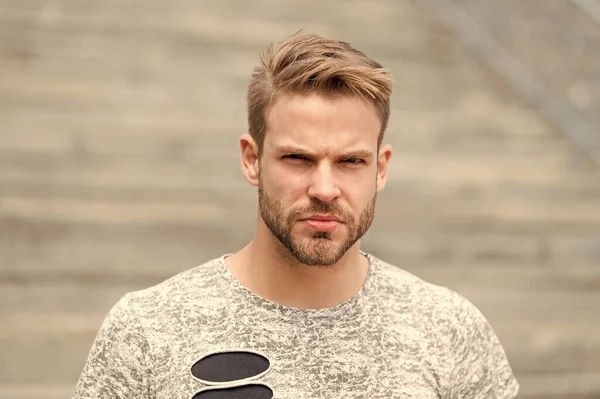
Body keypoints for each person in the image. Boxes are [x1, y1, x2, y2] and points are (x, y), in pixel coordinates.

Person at [72, 32, 519, 399]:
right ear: (252, 159)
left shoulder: (449, 329)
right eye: (298, 159)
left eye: (350, 162)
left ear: (380, 168)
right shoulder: (147, 329)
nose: (324, 189)